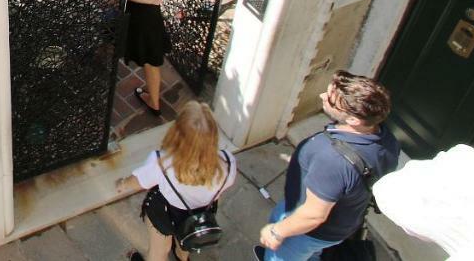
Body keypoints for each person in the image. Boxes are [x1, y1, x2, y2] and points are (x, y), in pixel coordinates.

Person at [257, 70, 399, 261]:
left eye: (331, 100)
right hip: (341, 226)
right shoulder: (387, 139)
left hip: (308, 231)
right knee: (312, 254)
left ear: (353, 120)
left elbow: (313, 216)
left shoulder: (331, 160)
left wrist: (276, 232)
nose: (322, 96)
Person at [115, 101, 236, 261]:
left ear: (177, 134)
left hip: (166, 212)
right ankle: (181, 256)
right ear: (213, 136)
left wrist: (122, 184)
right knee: (187, 237)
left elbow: (138, 182)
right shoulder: (228, 162)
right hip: (201, 212)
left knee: (159, 251)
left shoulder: (161, 161)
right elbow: (221, 189)